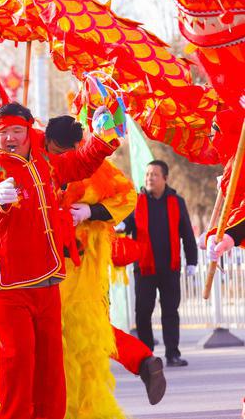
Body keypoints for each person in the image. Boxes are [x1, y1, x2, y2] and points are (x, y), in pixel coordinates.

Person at [0, 102, 118, 419]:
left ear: (27, 131)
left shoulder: (43, 161)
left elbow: (78, 164)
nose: (10, 138)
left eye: (17, 131)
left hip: (47, 275)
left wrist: (101, 141)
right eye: (4, 132)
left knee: (50, 361)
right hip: (7, 280)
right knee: (18, 357)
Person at [45, 115, 165, 412]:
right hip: (45, 262)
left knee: (80, 329)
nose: (66, 159)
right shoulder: (32, 162)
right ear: (46, 143)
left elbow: (127, 198)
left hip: (81, 264)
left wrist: (91, 211)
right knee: (79, 330)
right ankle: (141, 360)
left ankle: (81, 402)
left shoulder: (94, 165)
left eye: (71, 151)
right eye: (59, 152)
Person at [121, 159, 197, 367]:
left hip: (170, 268)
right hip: (144, 268)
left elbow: (187, 233)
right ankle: (147, 356)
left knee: (171, 311)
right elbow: (126, 224)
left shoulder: (176, 201)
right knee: (143, 312)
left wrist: (192, 260)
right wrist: (119, 225)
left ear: (165, 178)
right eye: (147, 175)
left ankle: (173, 353)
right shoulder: (136, 201)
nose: (150, 178)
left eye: (154, 174)